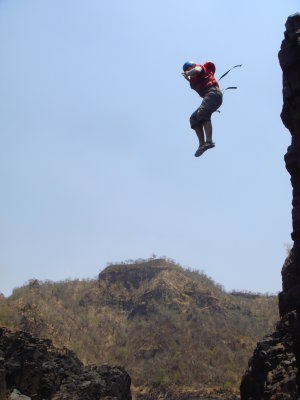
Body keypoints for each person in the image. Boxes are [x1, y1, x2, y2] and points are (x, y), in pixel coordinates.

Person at [182, 60, 223, 157]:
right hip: (209, 97)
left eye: (189, 68)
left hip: (213, 93)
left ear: (192, 66)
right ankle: (202, 144)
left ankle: (209, 141)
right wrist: (188, 78)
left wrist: (188, 73)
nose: (189, 72)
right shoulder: (193, 82)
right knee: (194, 118)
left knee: (202, 113)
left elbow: (197, 70)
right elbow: (195, 80)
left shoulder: (200, 68)